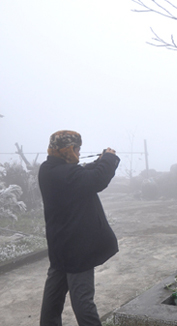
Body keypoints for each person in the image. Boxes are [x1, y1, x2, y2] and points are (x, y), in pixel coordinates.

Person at [38, 130, 120, 326]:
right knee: (83, 301)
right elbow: (96, 179)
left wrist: (99, 161)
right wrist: (109, 158)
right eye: (77, 149)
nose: (79, 153)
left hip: (60, 247)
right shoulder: (67, 175)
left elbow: (82, 173)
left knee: (52, 300)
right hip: (77, 249)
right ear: (68, 150)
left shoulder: (48, 169)